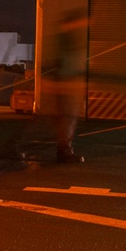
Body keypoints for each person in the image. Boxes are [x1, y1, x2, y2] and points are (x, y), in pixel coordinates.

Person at [37, 9, 89, 163]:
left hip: (68, 86)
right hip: (66, 87)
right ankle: (64, 151)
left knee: (65, 119)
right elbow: (59, 65)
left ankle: (64, 149)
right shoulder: (66, 41)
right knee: (67, 119)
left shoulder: (68, 40)